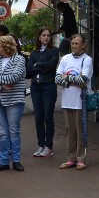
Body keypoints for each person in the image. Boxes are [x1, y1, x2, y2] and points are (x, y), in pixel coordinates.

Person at [0, 35, 27, 172]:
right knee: (3, 132)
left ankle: (16, 160)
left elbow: (14, 77)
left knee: (14, 131)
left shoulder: (19, 59)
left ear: (6, 46)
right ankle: (3, 161)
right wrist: (2, 85)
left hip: (14, 100)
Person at [55, 34, 93, 170]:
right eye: (72, 43)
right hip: (67, 101)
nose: (74, 46)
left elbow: (84, 80)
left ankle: (81, 159)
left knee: (80, 130)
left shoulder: (87, 60)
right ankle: (71, 158)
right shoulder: (65, 58)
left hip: (80, 101)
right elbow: (57, 78)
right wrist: (74, 80)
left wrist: (66, 77)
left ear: (83, 45)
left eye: (77, 43)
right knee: (69, 130)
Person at [27, 27, 59, 157]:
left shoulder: (54, 50)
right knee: (38, 117)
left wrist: (37, 65)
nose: (46, 37)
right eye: (43, 35)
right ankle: (41, 144)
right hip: (36, 86)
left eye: (48, 35)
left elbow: (52, 65)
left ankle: (48, 146)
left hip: (48, 86)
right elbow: (29, 70)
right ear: (39, 37)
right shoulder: (34, 52)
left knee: (47, 117)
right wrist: (40, 66)